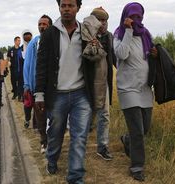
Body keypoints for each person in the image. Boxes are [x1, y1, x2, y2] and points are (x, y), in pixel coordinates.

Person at [35, 0, 94, 183]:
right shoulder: (50, 34)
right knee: (56, 134)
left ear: (78, 8)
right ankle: (52, 160)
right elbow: (42, 65)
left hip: (81, 94)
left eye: (71, 5)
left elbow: (95, 60)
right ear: (59, 7)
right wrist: (39, 94)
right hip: (57, 94)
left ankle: (75, 177)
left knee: (79, 137)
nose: (66, 9)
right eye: (63, 6)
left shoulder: (85, 32)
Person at [113, 2, 158, 182]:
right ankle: (137, 166)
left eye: (139, 17)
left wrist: (155, 54)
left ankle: (127, 139)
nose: (136, 20)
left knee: (145, 128)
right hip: (127, 88)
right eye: (133, 16)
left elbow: (149, 58)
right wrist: (128, 31)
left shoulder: (146, 35)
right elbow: (121, 55)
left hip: (145, 88)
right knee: (138, 130)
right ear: (126, 16)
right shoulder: (119, 34)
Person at [88, 7, 117, 161]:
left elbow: (114, 59)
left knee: (104, 115)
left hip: (103, 82)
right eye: (99, 19)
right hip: (85, 82)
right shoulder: (85, 35)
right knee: (86, 115)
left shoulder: (110, 37)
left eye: (105, 20)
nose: (102, 23)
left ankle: (102, 147)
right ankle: (78, 145)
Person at [23, 14, 53, 153]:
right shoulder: (34, 43)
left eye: (44, 24)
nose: (42, 26)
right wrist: (27, 85)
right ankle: (43, 141)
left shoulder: (56, 40)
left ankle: (53, 140)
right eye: (40, 24)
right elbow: (27, 65)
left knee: (53, 116)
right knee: (40, 116)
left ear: (50, 26)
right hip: (37, 86)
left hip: (53, 86)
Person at [7, 36, 24, 101]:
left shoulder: (21, 49)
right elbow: (8, 58)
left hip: (20, 69)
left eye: (20, 40)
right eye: (18, 40)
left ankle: (20, 96)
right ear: (15, 41)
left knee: (20, 83)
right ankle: (15, 94)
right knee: (13, 82)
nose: (19, 42)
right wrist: (8, 62)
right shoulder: (11, 50)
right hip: (13, 69)